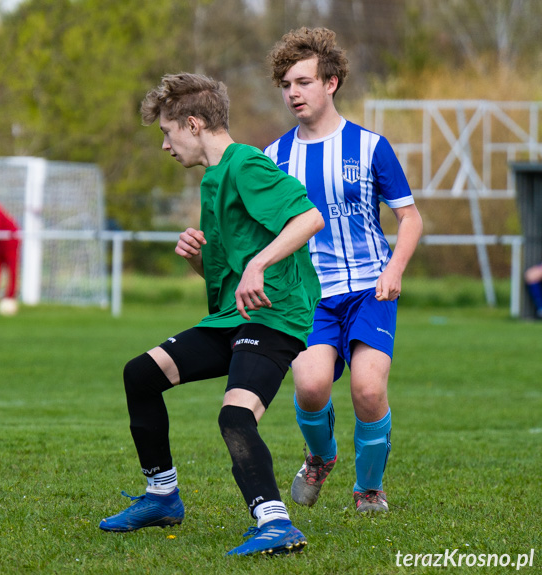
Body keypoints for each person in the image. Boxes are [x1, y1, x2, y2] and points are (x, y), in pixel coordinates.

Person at [99, 72, 325, 557]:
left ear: (194, 124)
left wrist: (260, 265)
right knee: (140, 374)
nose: (165, 144)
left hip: (274, 315)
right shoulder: (211, 182)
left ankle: (276, 523)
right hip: (234, 317)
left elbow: (309, 218)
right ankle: (162, 495)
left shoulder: (246, 164)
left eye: (166, 131)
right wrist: (197, 257)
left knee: (235, 416)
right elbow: (226, 279)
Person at [264, 27, 424, 513]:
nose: (293, 92)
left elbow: (410, 217)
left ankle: (369, 489)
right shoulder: (274, 157)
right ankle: (321, 456)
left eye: (303, 82)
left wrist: (395, 269)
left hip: (370, 289)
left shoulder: (371, 147)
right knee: (310, 387)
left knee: (368, 389)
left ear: (330, 83)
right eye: (287, 84)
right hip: (310, 295)